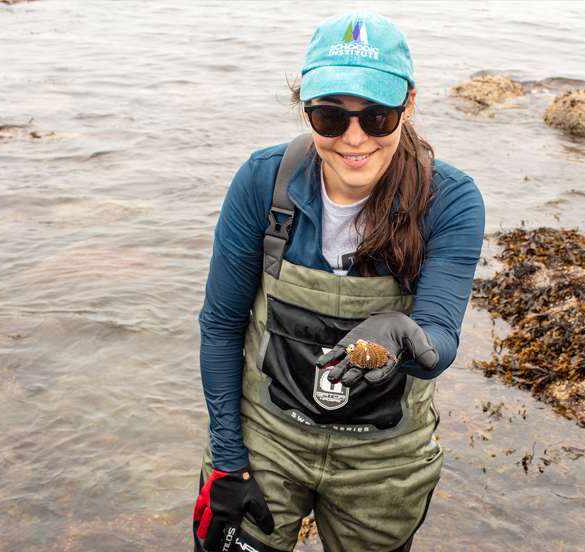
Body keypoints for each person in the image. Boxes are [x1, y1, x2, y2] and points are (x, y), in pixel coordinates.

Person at [193, 11, 484, 552]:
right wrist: (228, 462)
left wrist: (401, 329)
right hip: (267, 441)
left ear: (409, 104)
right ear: (306, 108)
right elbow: (222, 325)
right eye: (329, 117)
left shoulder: (451, 202)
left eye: (376, 117)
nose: (354, 139)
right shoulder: (263, 183)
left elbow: (439, 340)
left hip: (384, 463)